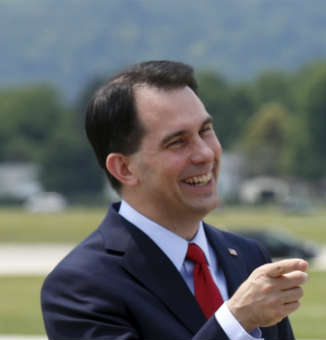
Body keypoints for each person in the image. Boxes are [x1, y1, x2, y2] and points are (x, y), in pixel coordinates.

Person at [41, 60, 308, 339]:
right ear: (124, 168)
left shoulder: (249, 257)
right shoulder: (80, 287)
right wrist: (235, 322)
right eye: (177, 142)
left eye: (205, 131)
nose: (204, 153)